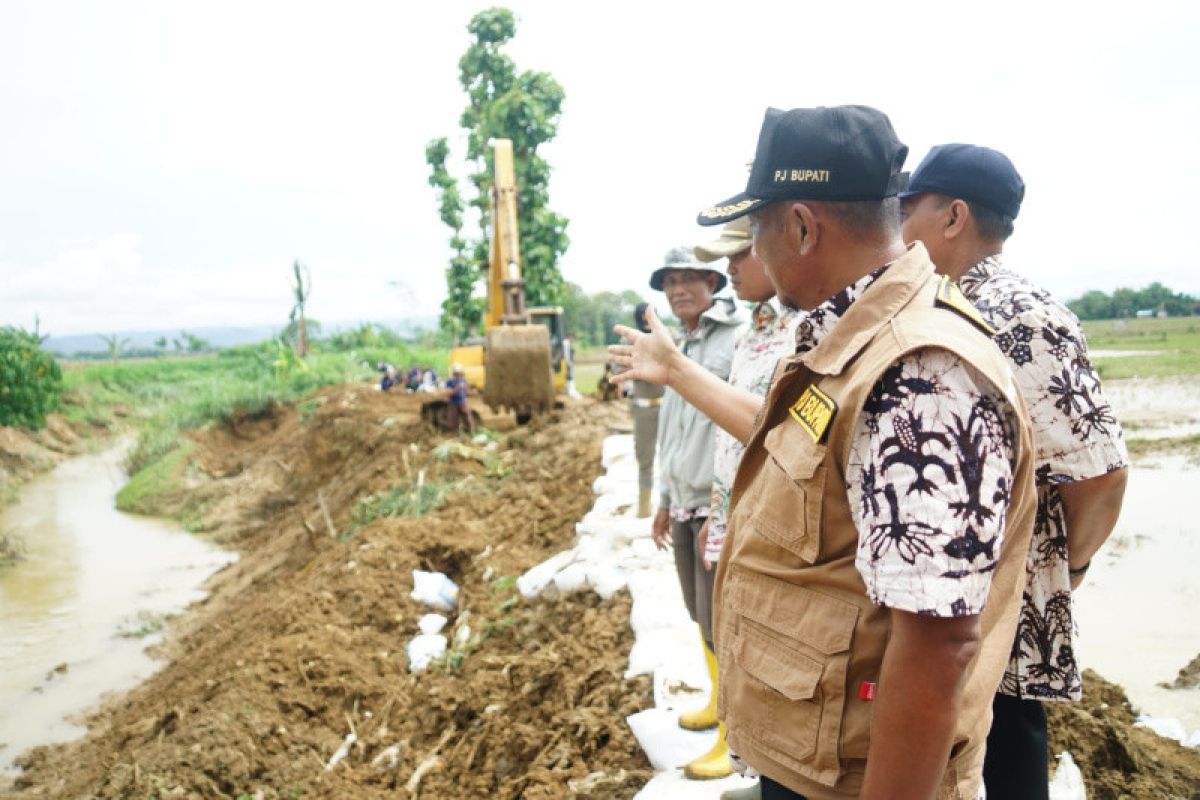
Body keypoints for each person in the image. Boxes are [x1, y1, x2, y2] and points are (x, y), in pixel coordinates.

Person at [611, 106, 1037, 800]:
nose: (753, 249)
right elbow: (806, 449)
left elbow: (937, 645)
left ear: (804, 226)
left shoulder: (920, 373)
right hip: (816, 757)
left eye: (758, 229)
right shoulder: (850, 342)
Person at [898, 144, 1129, 800]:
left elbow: (1100, 475)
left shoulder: (1018, 316)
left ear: (954, 217)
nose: (900, 228)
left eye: (909, 210)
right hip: (942, 612)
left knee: (1002, 766)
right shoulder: (935, 302)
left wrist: (1068, 570)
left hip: (997, 627)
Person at [677, 214, 803, 784]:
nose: (729, 267)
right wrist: (718, 509)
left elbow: (772, 429)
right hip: (732, 512)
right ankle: (740, 743)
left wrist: (675, 372)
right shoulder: (757, 326)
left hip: (771, 527)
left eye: (740, 252)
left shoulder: (802, 327)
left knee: (763, 650)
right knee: (724, 628)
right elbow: (731, 439)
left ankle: (746, 748)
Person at [649, 246, 746, 780]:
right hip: (683, 500)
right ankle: (716, 701)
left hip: (715, 504)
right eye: (670, 283)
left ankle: (733, 735)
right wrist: (663, 499)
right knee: (696, 610)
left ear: (713, 282)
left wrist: (720, 503)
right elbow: (673, 429)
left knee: (721, 617)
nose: (678, 290)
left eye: (689, 279)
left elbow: (733, 425)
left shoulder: (734, 339)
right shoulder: (679, 342)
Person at [628, 303, 666, 517]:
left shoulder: (665, 341)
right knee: (645, 458)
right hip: (643, 409)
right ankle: (644, 508)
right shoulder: (631, 342)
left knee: (671, 457)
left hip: (666, 405)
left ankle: (669, 505)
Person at [444, 363, 474, 435]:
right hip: (453, 403)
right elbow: (449, 393)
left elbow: (466, 391)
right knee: (453, 420)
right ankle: (455, 434)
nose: (458, 374)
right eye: (457, 373)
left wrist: (471, 392)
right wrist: (457, 388)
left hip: (462, 402)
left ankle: (471, 432)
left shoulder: (463, 380)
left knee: (467, 418)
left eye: (459, 372)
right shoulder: (450, 381)